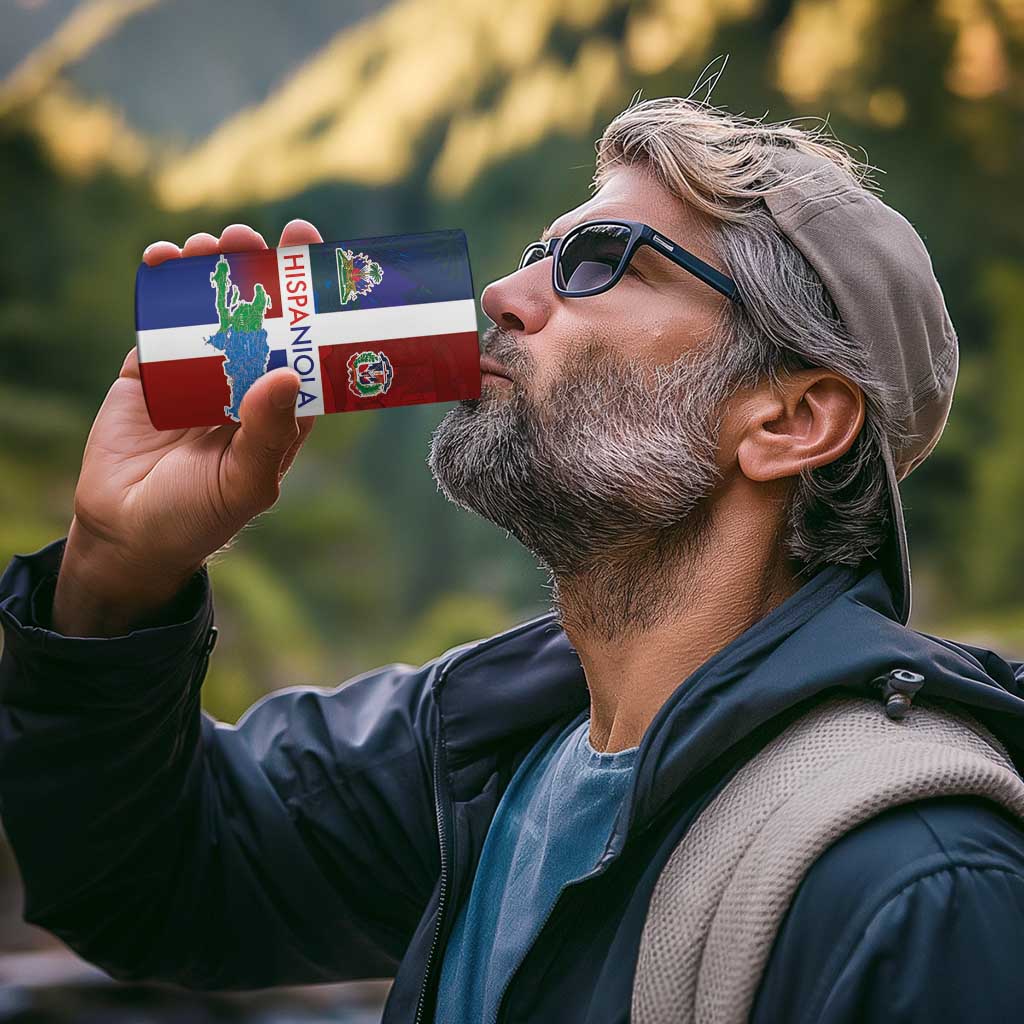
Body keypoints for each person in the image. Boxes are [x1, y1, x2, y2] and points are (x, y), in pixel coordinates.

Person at [2, 96, 1024, 1024]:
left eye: (599, 261)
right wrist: (116, 571)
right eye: (540, 252)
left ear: (791, 419)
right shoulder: (479, 750)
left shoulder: (918, 883)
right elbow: (149, 880)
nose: (503, 291)